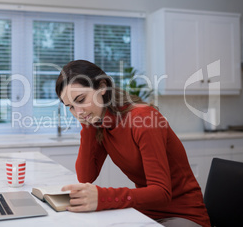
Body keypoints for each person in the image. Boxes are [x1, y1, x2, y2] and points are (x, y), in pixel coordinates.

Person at [55, 60, 210, 227]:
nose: (77, 112)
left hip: (184, 215)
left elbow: (161, 193)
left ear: (102, 87)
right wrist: (87, 123)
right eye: (70, 107)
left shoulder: (143, 118)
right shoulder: (102, 124)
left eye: (81, 99)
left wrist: (102, 197)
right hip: (145, 212)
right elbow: (86, 177)